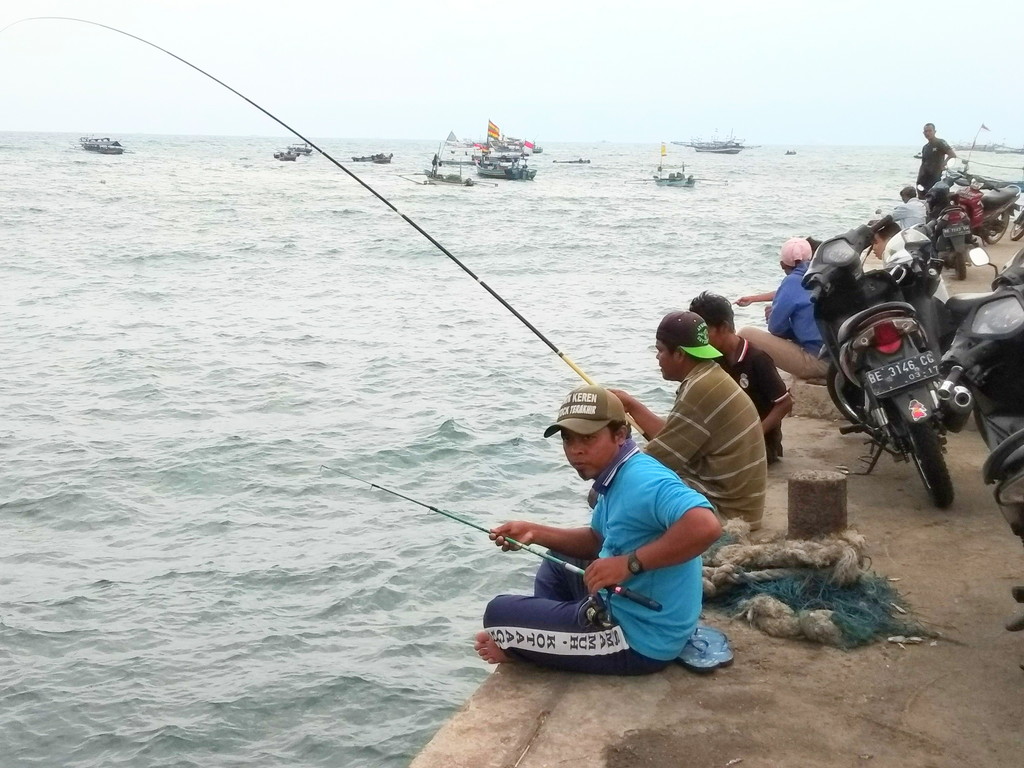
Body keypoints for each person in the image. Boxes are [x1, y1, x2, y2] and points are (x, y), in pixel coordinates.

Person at [474, 385, 722, 674]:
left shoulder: (643, 480)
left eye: (588, 438)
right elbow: (596, 540)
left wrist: (629, 564)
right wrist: (534, 532)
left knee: (498, 614)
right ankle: (551, 640)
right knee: (558, 560)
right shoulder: (620, 473)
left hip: (639, 640)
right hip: (645, 618)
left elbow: (706, 526)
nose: (575, 450)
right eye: (568, 439)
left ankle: (537, 645)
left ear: (620, 435)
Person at [610, 311, 767, 528]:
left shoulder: (700, 388)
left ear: (680, 355)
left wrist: (606, 481)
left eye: (660, 351)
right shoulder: (709, 375)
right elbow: (671, 438)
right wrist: (631, 406)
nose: (657, 358)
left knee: (624, 489)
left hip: (727, 512)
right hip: (741, 504)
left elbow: (658, 459)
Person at [689, 292, 792, 464]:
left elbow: (785, 403)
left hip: (760, 443)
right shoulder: (713, 357)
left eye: (704, 331)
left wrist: (756, 432)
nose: (701, 339)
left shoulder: (756, 358)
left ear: (723, 327)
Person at [737, 237, 828, 382]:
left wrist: (774, 315)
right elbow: (797, 295)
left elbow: (776, 329)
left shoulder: (791, 282)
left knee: (745, 333)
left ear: (782, 264)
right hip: (839, 357)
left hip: (819, 361)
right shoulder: (824, 274)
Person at [917, 123, 955, 199]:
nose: (927, 133)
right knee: (922, 200)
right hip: (922, 178)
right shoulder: (925, 147)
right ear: (923, 133)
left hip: (934, 177)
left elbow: (952, 155)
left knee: (933, 199)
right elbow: (923, 163)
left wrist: (943, 164)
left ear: (935, 131)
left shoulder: (940, 142)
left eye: (930, 131)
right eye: (926, 131)